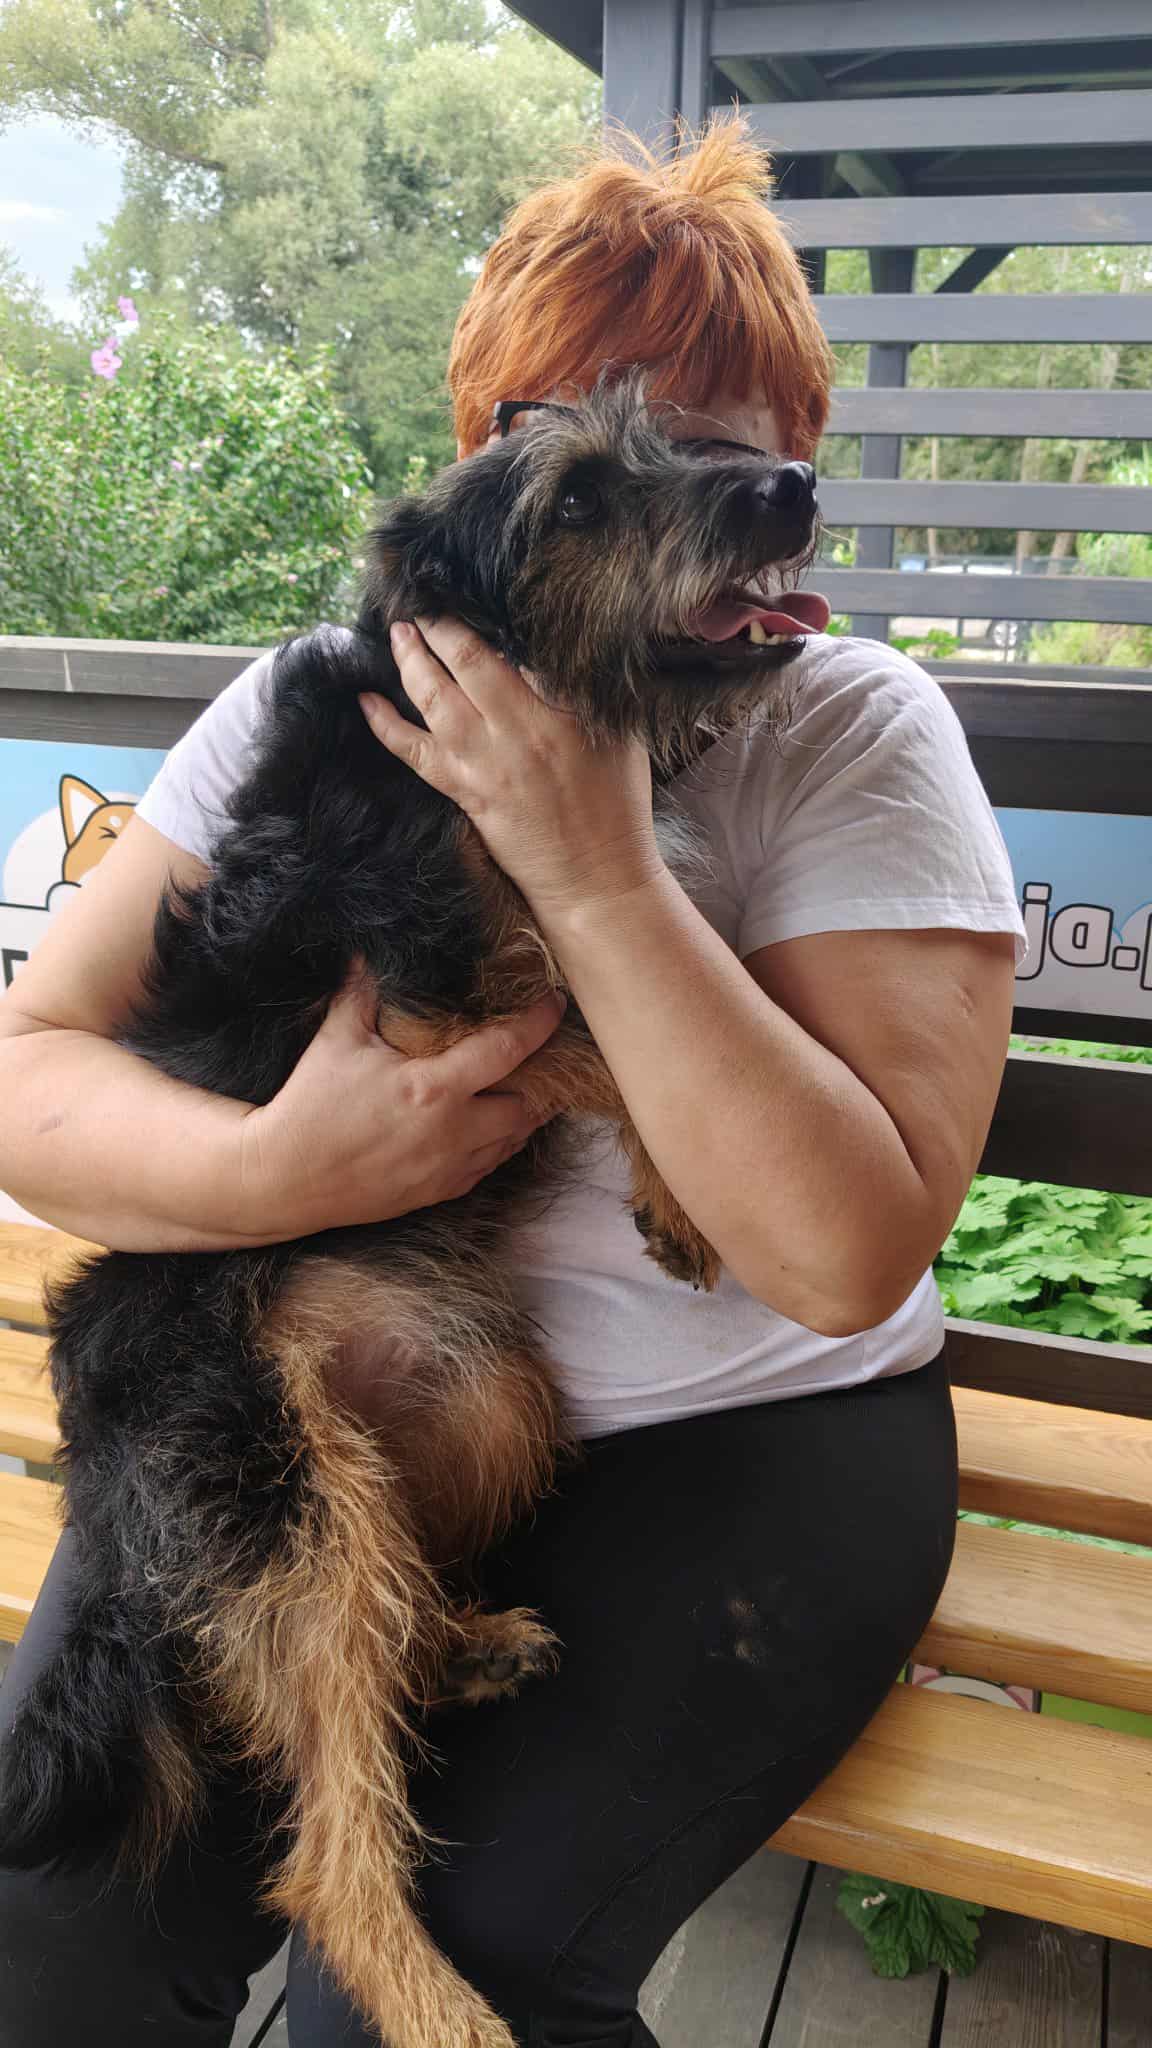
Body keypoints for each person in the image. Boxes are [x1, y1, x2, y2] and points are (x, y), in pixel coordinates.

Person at [0, 119, 1026, 2047]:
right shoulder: (319, 696)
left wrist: (596, 863)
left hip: (736, 1440)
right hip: (298, 1356)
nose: (715, 500)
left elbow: (843, 1256)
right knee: (42, 1927)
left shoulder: (853, 732)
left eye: (732, 451)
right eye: (597, 455)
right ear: (483, 479)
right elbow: (26, 1072)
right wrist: (278, 1173)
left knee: (428, 1988)